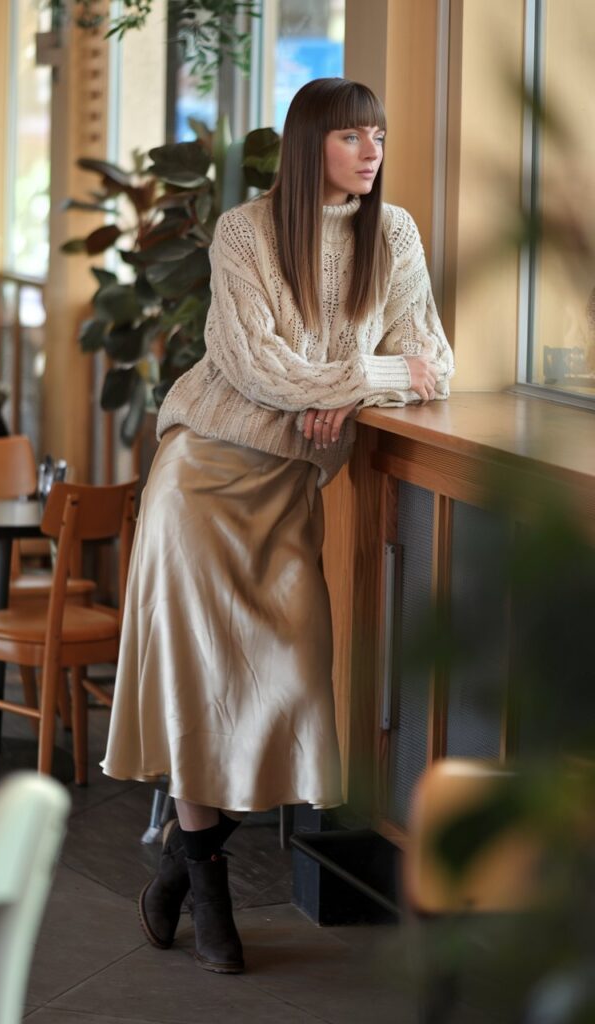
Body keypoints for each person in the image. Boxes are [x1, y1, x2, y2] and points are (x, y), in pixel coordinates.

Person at [102, 77, 454, 974]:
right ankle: (212, 893)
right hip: (204, 478)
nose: (373, 152)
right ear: (309, 147)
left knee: (286, 691)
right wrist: (363, 379)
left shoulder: (397, 233)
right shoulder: (243, 232)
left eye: (378, 135)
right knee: (198, 688)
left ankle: (178, 876)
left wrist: (345, 385)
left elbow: (436, 365)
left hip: (288, 490)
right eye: (351, 138)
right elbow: (258, 368)